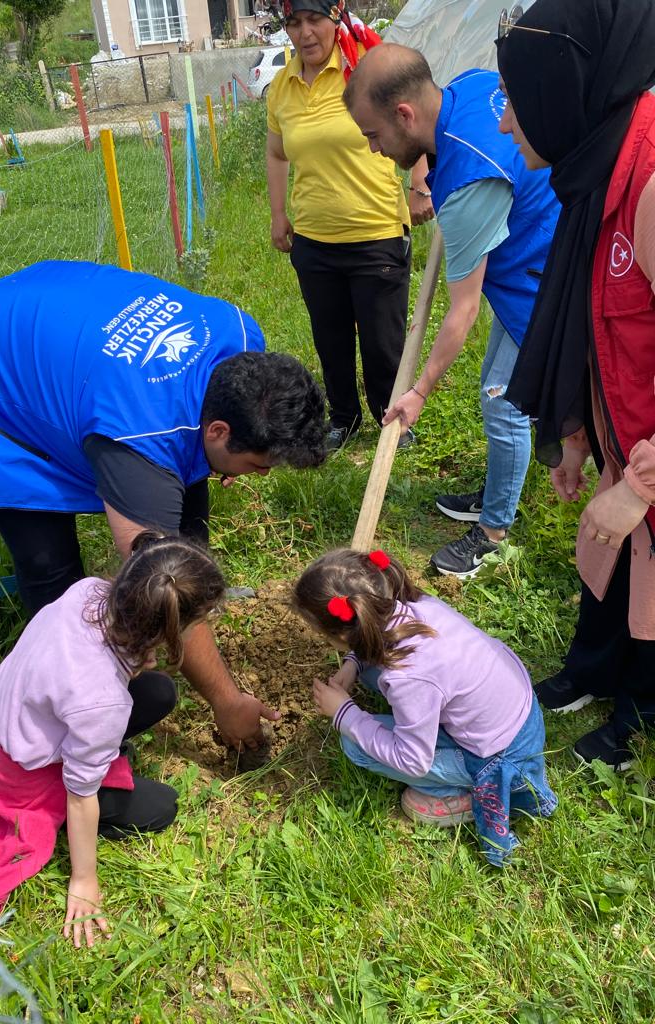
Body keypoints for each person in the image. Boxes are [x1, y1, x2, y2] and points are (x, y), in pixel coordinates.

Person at [0, 260, 326, 752]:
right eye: (259, 465)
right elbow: (165, 577)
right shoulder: (138, 435)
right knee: (50, 566)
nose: (258, 478)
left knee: (178, 518)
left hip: (60, 313)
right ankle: (71, 708)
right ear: (219, 430)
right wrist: (226, 700)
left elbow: (184, 473)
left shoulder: (239, 337)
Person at [496, 0, 655, 769]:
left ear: (565, 91)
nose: (503, 123)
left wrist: (644, 485)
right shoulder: (598, 165)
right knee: (611, 556)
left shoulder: (651, 183)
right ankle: (595, 670)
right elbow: (602, 325)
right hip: (625, 432)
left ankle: (642, 714)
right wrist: (580, 435)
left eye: (514, 100)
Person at [343, 46, 561, 577]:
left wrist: (418, 391)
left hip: (543, 274)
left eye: (373, 136)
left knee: (505, 401)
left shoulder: (468, 190)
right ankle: (498, 491)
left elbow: (461, 312)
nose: (373, 150)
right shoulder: (464, 86)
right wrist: (424, 174)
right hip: (544, 234)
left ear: (404, 115)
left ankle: (493, 533)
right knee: (497, 383)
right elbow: (436, 148)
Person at [0, 530, 225, 937]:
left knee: (159, 693)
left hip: (10, 718)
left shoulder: (89, 592)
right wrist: (84, 880)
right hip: (22, 774)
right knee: (162, 806)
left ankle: (36, 766)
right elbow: (81, 796)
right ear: (170, 630)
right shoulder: (102, 701)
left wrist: (143, 655)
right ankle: (3, 796)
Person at [293, 546, 557, 866]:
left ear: (339, 634)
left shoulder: (409, 677)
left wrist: (344, 713)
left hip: (501, 758)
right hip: (519, 718)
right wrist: (353, 664)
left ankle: (459, 796)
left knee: (354, 744)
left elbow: (412, 760)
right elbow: (376, 650)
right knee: (373, 671)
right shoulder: (417, 606)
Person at [265, 0, 414, 453]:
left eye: (314, 21)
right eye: (294, 23)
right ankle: (343, 419)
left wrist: (423, 181)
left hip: (376, 232)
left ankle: (392, 418)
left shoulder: (365, 68)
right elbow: (277, 152)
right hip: (314, 239)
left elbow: (416, 121)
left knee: (382, 343)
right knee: (330, 339)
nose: (305, 33)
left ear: (335, 19)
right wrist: (278, 214)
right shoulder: (282, 87)